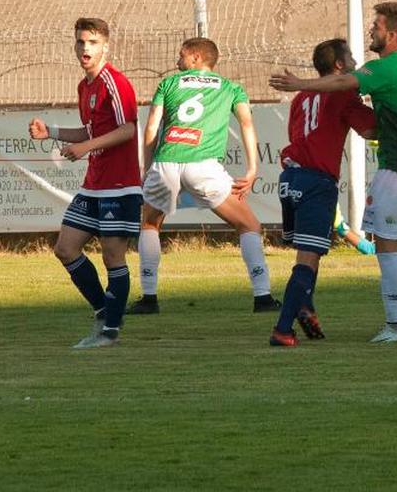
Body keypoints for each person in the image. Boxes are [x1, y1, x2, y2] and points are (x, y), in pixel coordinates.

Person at [270, 2, 397, 344]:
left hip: (391, 167)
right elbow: (372, 124)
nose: (371, 30)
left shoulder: (381, 69)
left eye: (377, 25)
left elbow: (344, 84)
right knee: (392, 238)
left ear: (393, 35)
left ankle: (396, 326)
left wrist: (300, 82)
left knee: (383, 243)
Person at [130, 37, 278, 314]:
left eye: (181, 56)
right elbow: (246, 123)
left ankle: (148, 299)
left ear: (197, 57)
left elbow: (151, 128)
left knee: (150, 225)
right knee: (249, 226)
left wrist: (147, 168)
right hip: (204, 166)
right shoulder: (231, 87)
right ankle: (263, 297)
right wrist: (252, 168)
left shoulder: (170, 84)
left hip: (167, 162)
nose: (176, 62)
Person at [29, 18, 141, 348]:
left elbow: (128, 129)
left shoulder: (115, 82)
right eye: (80, 42)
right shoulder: (85, 86)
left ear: (105, 46)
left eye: (91, 42)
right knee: (65, 248)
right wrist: (52, 132)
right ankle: (106, 312)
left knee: (112, 257)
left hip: (120, 185)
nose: (84, 48)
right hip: (94, 184)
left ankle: (110, 332)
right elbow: (92, 132)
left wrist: (84, 148)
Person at [270, 39, 378, 347]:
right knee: (308, 258)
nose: (356, 64)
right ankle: (282, 329)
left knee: (308, 252)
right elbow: (371, 130)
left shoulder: (301, 97)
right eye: (352, 59)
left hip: (290, 177)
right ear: (340, 66)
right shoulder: (343, 92)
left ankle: (305, 306)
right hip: (316, 181)